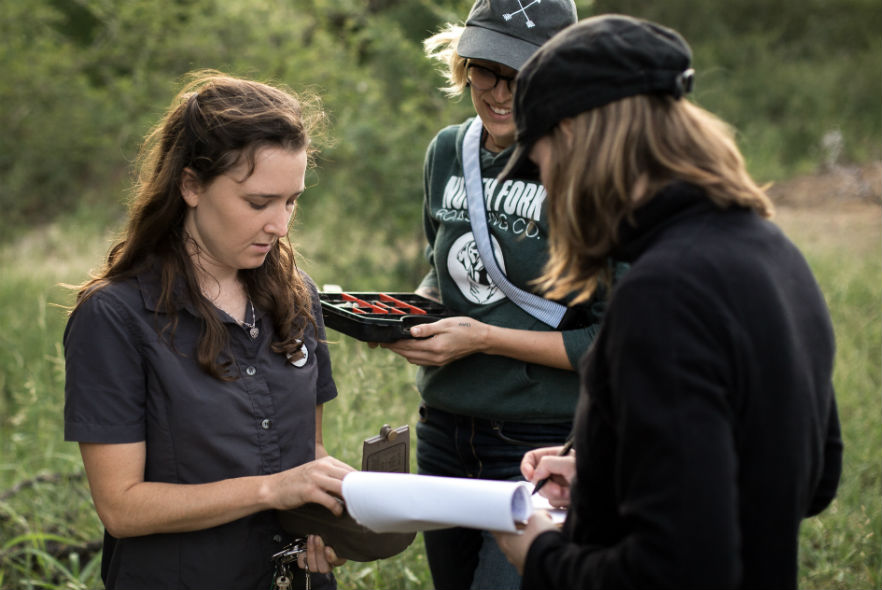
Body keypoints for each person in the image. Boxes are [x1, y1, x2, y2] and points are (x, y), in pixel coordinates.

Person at [491, 15, 843, 589]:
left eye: (540, 159)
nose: (546, 185)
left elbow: (679, 571)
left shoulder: (665, 296)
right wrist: (607, 470)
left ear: (575, 133)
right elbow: (813, 474)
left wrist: (542, 554)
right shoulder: (773, 251)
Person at [63, 70, 354, 590]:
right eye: (258, 203)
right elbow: (122, 508)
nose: (281, 225)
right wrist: (271, 490)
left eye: (292, 201)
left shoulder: (297, 293)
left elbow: (308, 452)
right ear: (191, 185)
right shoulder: (115, 317)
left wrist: (342, 512)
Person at [372, 2, 619, 589]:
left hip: (540, 444)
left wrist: (482, 339)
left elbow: (617, 342)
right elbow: (445, 274)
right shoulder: (447, 152)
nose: (499, 91)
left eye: (521, 74)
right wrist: (406, 315)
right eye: (486, 68)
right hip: (444, 430)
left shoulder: (587, 169)